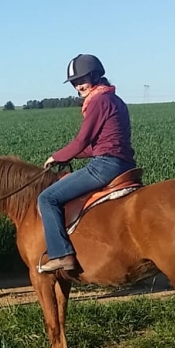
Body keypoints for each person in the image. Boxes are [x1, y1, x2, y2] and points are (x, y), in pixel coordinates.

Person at [37, 54, 136, 272]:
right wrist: (73, 156)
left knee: (47, 198)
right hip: (124, 164)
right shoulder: (114, 99)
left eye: (81, 80)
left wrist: (58, 156)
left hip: (105, 166)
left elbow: (83, 140)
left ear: (95, 76)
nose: (77, 86)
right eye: (74, 82)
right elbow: (97, 145)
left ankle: (61, 254)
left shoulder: (99, 101)